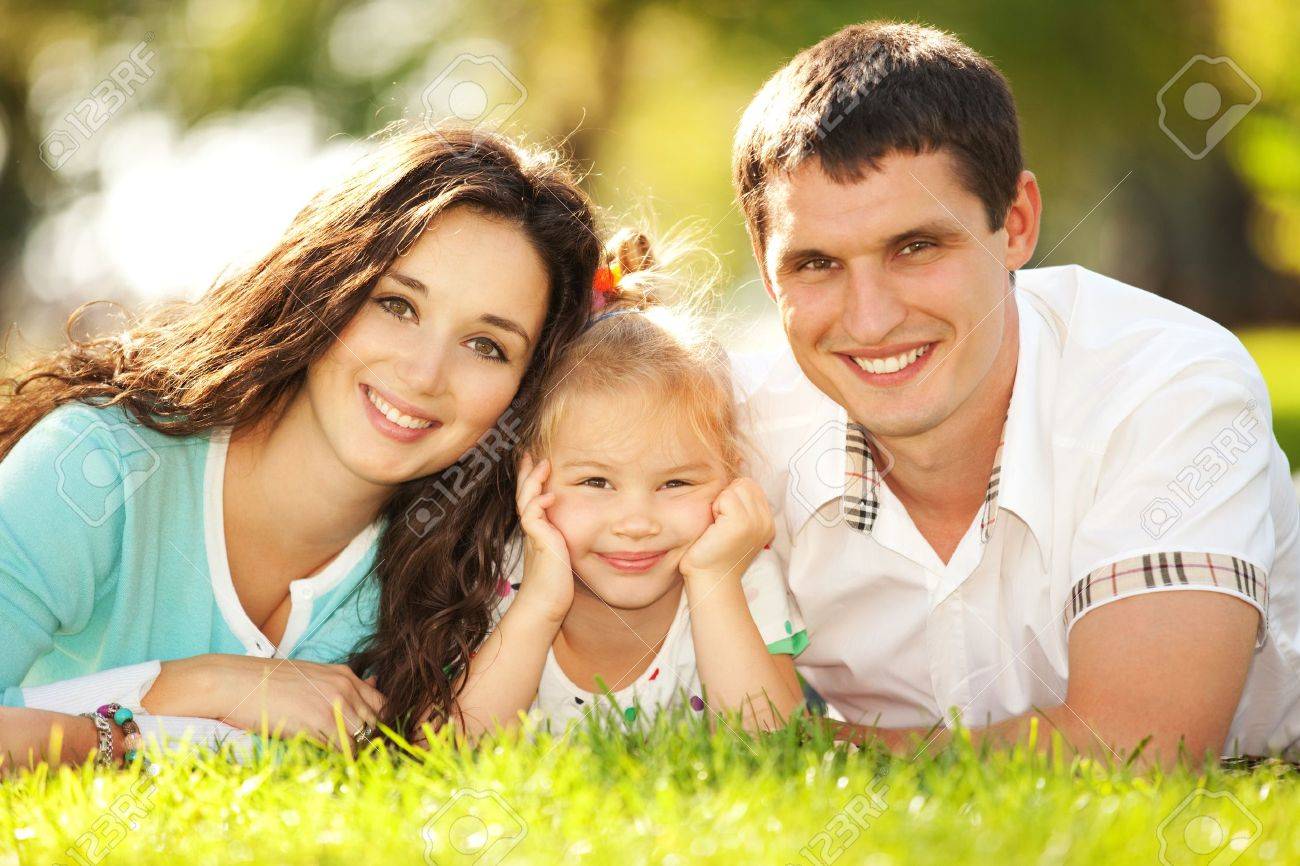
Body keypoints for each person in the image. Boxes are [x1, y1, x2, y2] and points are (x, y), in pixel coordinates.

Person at [729, 21, 1300, 765]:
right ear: (768, 271)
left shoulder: (1166, 385)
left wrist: (807, 751)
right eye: (815, 263)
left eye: (916, 247)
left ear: (1017, 225)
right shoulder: (731, 423)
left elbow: (1141, 748)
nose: (868, 320)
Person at [0, 123, 602, 765]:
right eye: (397, 305)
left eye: (488, 345)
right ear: (324, 286)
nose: (424, 374)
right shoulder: (97, 466)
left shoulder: (469, 568)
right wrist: (199, 687)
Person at [450, 230, 806, 735]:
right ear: (529, 476)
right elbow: (446, 749)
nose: (637, 523)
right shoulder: (504, 575)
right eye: (596, 482)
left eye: (675, 484)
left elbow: (777, 746)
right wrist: (539, 605)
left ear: (731, 476)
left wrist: (712, 585)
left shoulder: (737, 575)